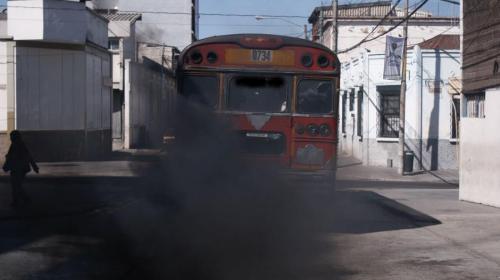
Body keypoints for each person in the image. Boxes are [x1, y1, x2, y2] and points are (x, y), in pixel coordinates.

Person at [2, 130, 39, 207]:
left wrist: (34, 166)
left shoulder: (19, 145)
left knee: (16, 185)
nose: (10, 139)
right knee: (16, 185)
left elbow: (28, 156)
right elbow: (10, 156)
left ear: (15, 137)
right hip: (17, 168)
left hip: (19, 168)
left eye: (11, 137)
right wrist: (34, 167)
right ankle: (22, 200)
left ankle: (21, 200)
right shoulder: (15, 145)